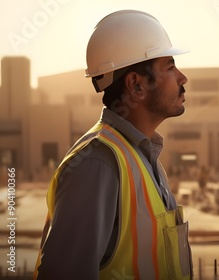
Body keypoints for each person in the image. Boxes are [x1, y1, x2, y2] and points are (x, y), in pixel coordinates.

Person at [33, 10, 193, 280]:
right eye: (169, 66)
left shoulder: (143, 158)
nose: (182, 78)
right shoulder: (97, 164)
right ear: (136, 85)